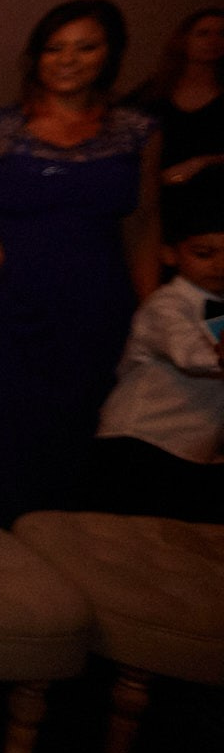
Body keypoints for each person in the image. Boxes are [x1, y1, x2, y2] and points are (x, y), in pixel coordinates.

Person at [0, 0, 161, 522]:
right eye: (55, 48)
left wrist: (148, 305)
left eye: (85, 47)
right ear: (36, 57)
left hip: (91, 295)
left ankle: (55, 537)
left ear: (110, 54)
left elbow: (144, 221)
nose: (68, 60)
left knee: (75, 415)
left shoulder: (137, 131)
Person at [87, 182, 224, 523]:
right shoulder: (166, 306)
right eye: (203, 253)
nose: (219, 265)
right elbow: (190, 353)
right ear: (169, 254)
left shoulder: (218, 307)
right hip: (140, 442)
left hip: (193, 448)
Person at [127, 7, 224, 235]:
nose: (213, 41)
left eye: (221, 34)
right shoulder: (153, 94)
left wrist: (202, 162)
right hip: (163, 202)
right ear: (183, 39)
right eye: (203, 33)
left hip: (215, 202)